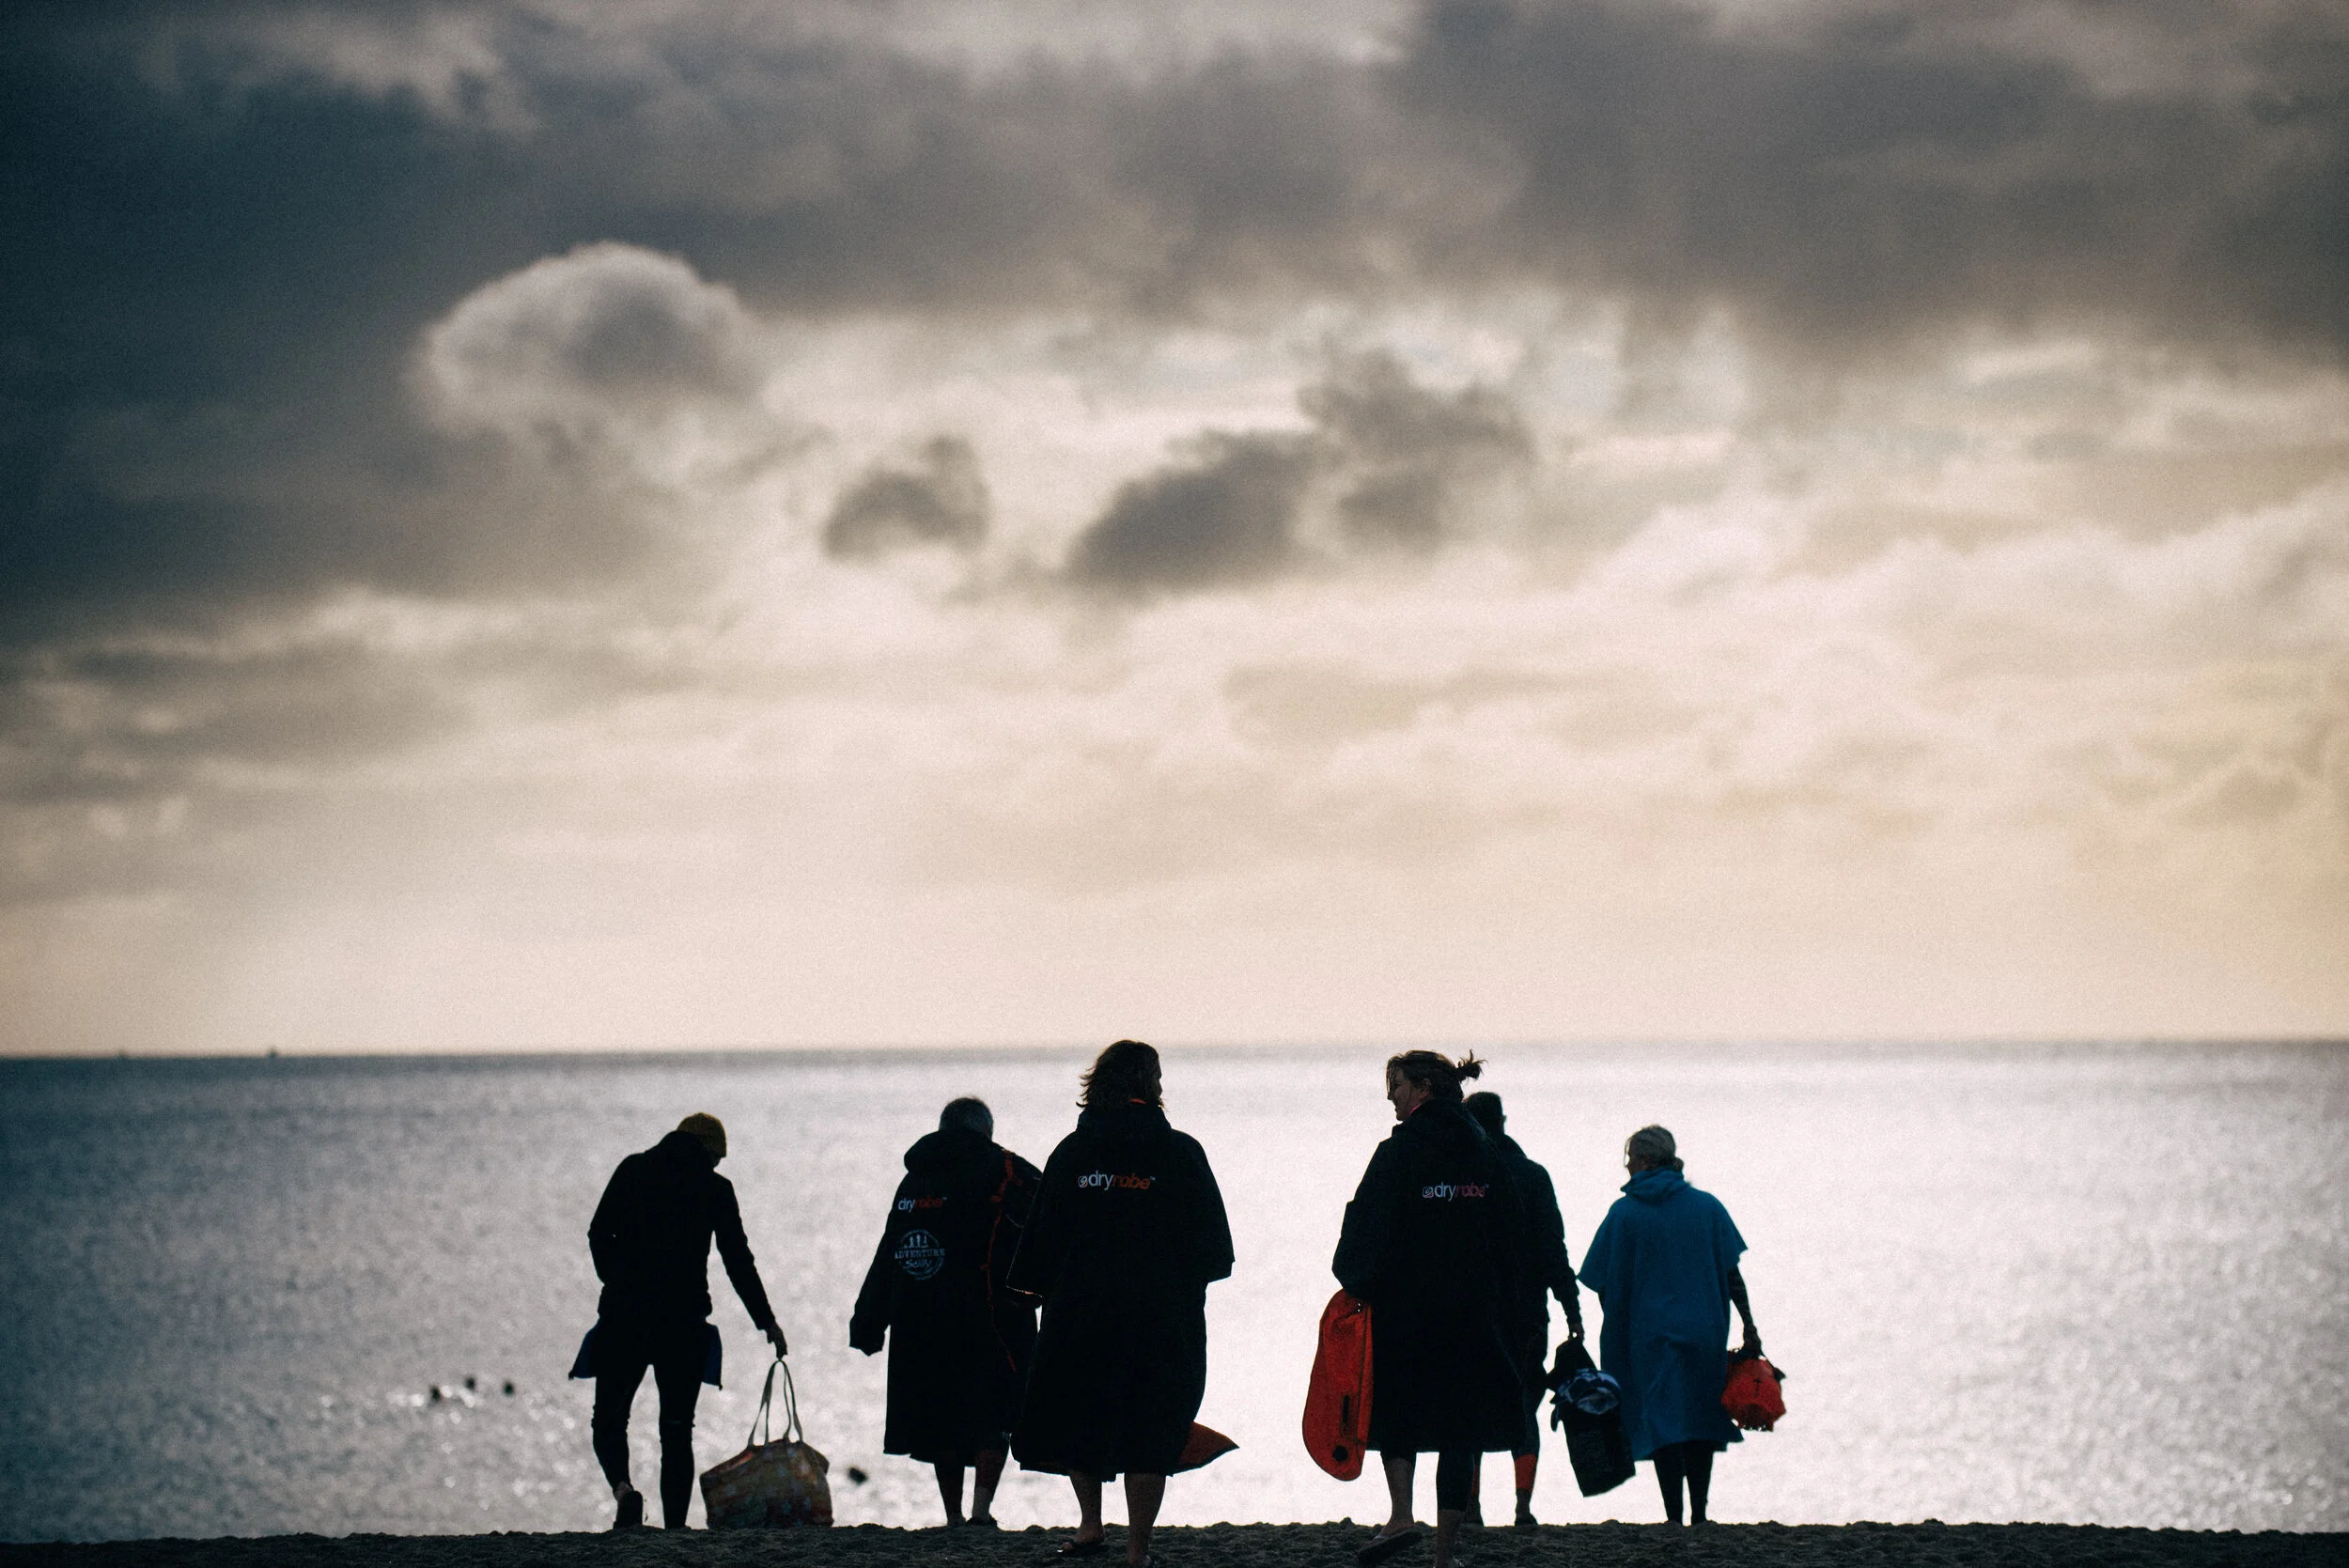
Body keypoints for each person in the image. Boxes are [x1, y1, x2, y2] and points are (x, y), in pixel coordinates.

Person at [1008, 1041, 1233, 1568]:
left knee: (1078, 1415)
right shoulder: (1181, 1153)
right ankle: (1138, 1551)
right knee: (1152, 1428)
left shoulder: (1071, 1153)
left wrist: (1036, 1292)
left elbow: (1039, 1242)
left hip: (1077, 1314)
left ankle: (1090, 1525)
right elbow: (1215, 1250)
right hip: (1161, 1317)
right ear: (1147, 1083)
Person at [1333, 1052, 1527, 1568]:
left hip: (1406, 1311)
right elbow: (1513, 1236)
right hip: (1475, 1313)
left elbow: (1365, 1229)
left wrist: (1355, 1281)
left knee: (1398, 1414)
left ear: (1421, 1088)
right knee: (1462, 1428)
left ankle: (1400, 1514)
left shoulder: (1397, 1154)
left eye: (1394, 1085)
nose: (1389, 1095)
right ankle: (1444, 1552)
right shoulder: (1488, 1156)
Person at [584, 1112, 790, 1529]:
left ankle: (624, 1491)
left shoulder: (633, 1169)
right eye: (717, 1158)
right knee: (676, 1430)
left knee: (609, 1418)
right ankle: (675, 1528)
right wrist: (766, 1320)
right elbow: (737, 1260)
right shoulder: (715, 1188)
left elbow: (597, 1233)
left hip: (626, 1317)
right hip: (684, 1323)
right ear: (709, 1152)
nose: (717, 1166)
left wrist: (619, 1280)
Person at [849, 1096, 1043, 1528]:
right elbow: (1046, 1230)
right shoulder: (1008, 1169)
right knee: (995, 1414)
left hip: (920, 1319)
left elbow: (890, 1253)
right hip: (992, 1315)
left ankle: (953, 1515)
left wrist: (868, 1320)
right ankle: (980, 1512)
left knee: (942, 1419)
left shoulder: (914, 1180)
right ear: (985, 1131)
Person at [1577, 1125, 1760, 1526]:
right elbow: (1731, 1274)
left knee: (1663, 1422)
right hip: (1704, 1332)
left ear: (1643, 1161)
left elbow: (1601, 1280)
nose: (1626, 1167)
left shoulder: (1624, 1213)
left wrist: (1619, 1320)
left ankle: (1673, 1516)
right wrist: (1749, 1326)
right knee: (1700, 1418)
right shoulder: (1708, 1207)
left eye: (1629, 1160)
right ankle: (1700, 1513)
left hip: (1649, 1336)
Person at [1462, 1090, 1584, 1529]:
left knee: (1471, 1410)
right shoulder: (1533, 1176)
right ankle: (1522, 1506)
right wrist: (1573, 1310)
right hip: (1529, 1315)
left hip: (1473, 1315)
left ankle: (1471, 1508)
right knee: (1523, 1408)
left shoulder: (1463, 1179)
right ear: (1504, 1121)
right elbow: (1554, 1249)